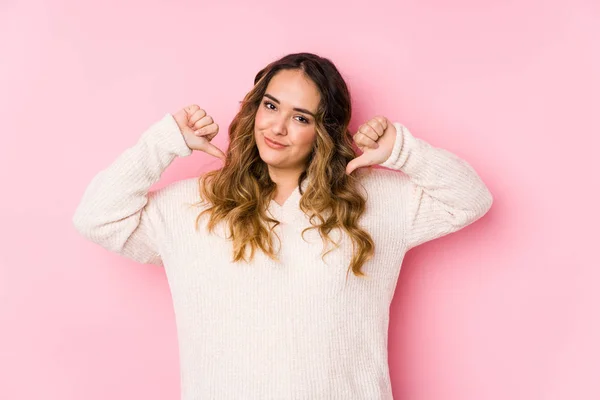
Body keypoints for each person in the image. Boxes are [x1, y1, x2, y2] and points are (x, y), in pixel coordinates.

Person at [73, 52, 493, 399]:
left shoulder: (373, 201)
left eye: (301, 117)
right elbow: (97, 218)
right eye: (270, 106)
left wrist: (402, 150)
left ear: (324, 131)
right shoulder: (193, 205)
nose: (276, 127)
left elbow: (470, 199)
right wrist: (162, 143)